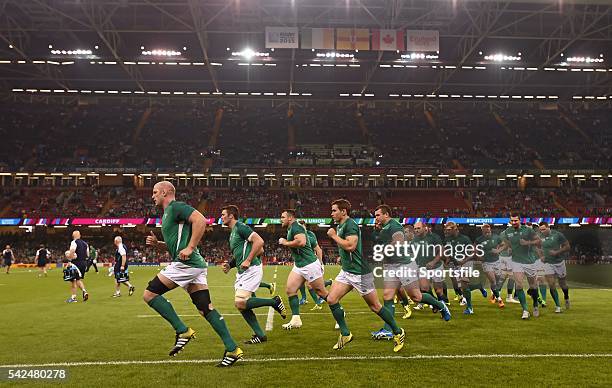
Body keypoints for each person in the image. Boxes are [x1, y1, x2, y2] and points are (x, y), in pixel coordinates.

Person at [143, 181, 243, 367]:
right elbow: (177, 246)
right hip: (193, 264)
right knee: (205, 308)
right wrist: (159, 245)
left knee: (149, 294)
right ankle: (232, 349)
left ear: (165, 192)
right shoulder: (167, 214)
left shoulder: (176, 207)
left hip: (186, 264)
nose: (153, 195)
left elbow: (200, 220)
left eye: (155, 192)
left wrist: (190, 247)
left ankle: (182, 330)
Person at [325, 199, 405, 352]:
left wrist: (334, 236)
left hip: (360, 273)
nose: (332, 213)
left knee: (375, 307)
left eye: (334, 210)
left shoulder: (350, 225)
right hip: (347, 271)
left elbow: (351, 245)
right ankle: (345, 334)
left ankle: (398, 331)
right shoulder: (341, 225)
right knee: (331, 299)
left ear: (343, 211)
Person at [220, 205, 287, 344]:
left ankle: (274, 302)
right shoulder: (233, 232)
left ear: (231, 216)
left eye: (223, 214)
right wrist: (230, 265)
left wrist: (249, 259)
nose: (221, 217)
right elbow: (260, 250)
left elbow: (260, 241)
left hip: (251, 270)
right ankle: (260, 335)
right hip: (243, 272)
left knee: (240, 302)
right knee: (242, 305)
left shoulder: (240, 227)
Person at [278, 209, 332, 330]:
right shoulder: (291, 228)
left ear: (290, 218)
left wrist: (285, 242)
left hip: (309, 265)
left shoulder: (296, 227)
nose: (280, 219)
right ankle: (296, 320)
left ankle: (340, 312)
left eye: (282, 217)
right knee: (290, 290)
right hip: (299, 265)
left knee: (321, 293)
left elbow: (301, 242)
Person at [499, 214, 542, 319]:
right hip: (516, 262)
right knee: (518, 285)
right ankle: (525, 310)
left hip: (529, 262)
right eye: (512, 221)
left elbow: (538, 241)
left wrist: (528, 242)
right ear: (510, 221)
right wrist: (506, 248)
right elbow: (507, 243)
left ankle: (535, 304)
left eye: (516, 220)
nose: (514, 222)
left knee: (533, 286)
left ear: (520, 220)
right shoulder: (507, 232)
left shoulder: (528, 230)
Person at [538, 222, 571, 312]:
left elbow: (567, 246)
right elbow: (537, 248)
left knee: (563, 284)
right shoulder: (539, 237)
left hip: (559, 262)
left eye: (544, 229)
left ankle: (566, 297)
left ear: (549, 227)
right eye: (540, 230)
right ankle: (558, 306)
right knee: (551, 284)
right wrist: (541, 256)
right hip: (548, 263)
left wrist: (557, 252)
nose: (542, 231)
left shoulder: (558, 235)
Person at [66, 230, 89, 303]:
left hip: (76, 263)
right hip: (84, 263)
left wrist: (69, 260)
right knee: (78, 279)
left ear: (73, 236)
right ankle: (84, 291)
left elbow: (72, 251)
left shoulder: (74, 242)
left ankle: (73, 298)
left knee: (73, 281)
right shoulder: (85, 244)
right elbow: (87, 255)